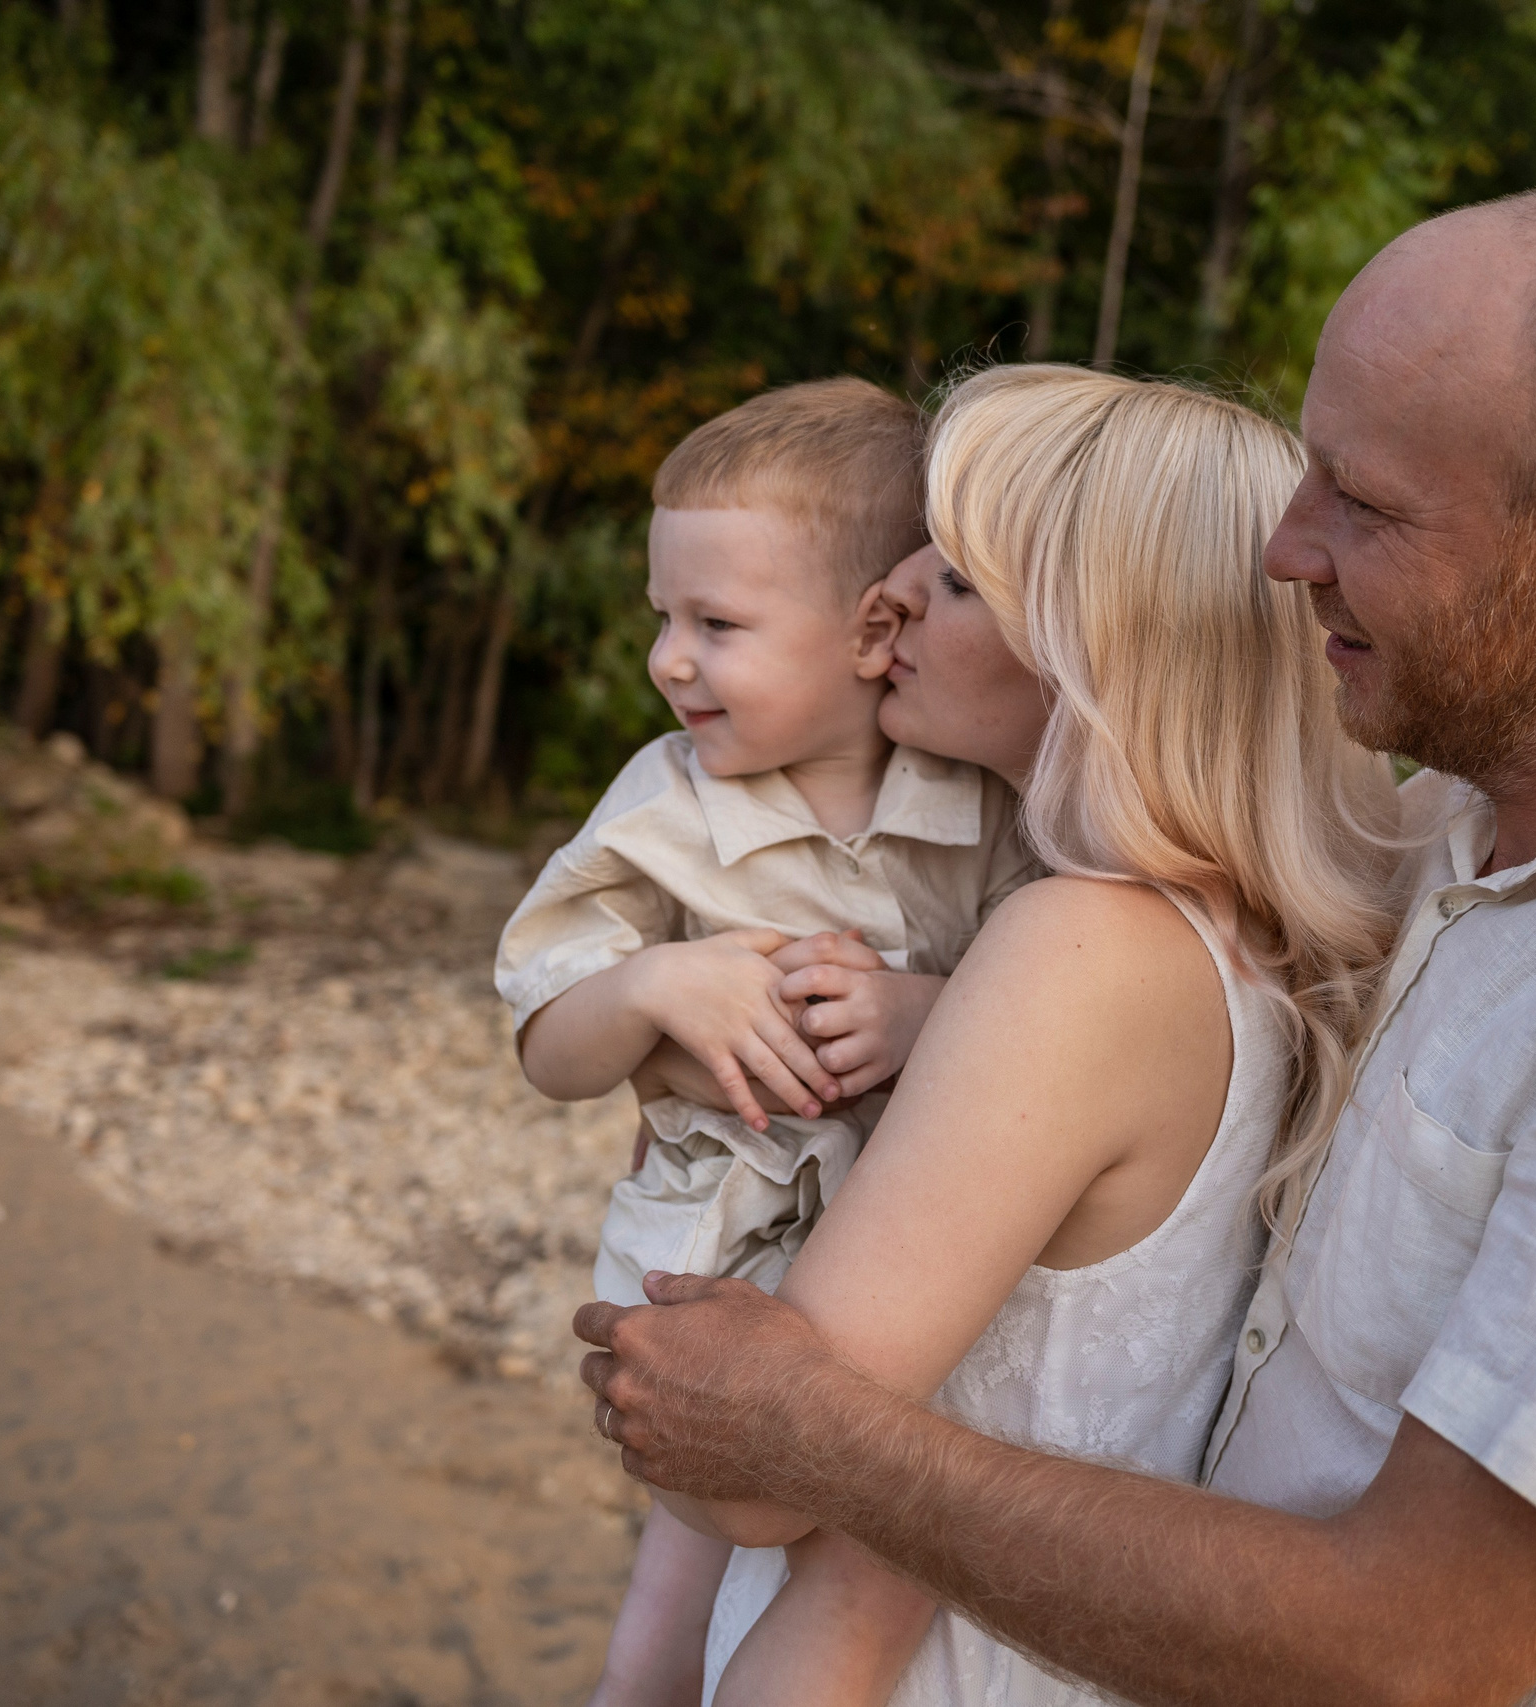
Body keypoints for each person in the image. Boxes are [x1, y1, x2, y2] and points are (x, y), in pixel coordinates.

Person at [575, 181, 1536, 1706]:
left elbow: (1416, 1646)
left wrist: (816, 1434)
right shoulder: (1422, 846)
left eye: (1365, 503)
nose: (1285, 554)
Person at [681, 364, 1402, 1707]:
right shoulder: (1222, 944)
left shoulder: (1083, 952)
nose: (886, 593)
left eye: (953, 577)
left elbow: (752, 1474)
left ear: (1096, 645)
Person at [494, 375, 1038, 1707]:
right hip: (705, 1281)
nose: (670, 660)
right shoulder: (665, 807)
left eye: (717, 624)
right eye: (662, 620)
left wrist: (920, 1013)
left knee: (864, 1603)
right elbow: (549, 1048)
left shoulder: (977, 805)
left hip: (916, 1289)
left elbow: (1034, 1000)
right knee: (669, 1629)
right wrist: (656, 987)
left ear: (872, 631)